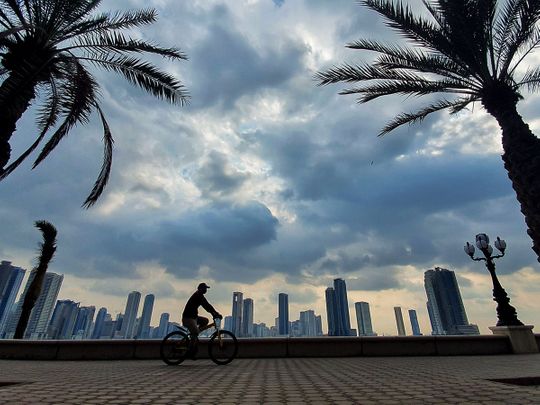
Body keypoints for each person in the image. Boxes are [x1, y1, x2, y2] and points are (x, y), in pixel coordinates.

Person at [181, 282, 222, 358]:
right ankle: (190, 351)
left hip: (194, 317)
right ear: (199, 289)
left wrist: (214, 313)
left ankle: (195, 336)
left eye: (206, 288)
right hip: (188, 318)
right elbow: (207, 306)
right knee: (196, 332)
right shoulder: (198, 295)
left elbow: (208, 306)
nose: (205, 290)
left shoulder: (200, 295)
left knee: (205, 321)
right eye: (204, 288)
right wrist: (215, 314)